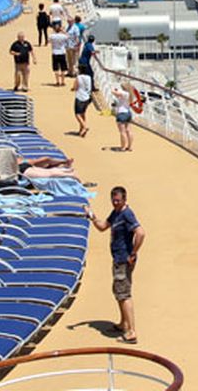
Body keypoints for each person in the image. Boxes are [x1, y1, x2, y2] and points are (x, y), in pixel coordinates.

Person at [85, 186, 145, 345]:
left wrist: (133, 252)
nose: (115, 203)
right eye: (113, 200)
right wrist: (92, 216)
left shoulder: (126, 214)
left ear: (125, 199)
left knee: (124, 294)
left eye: (118, 200)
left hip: (124, 260)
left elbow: (140, 232)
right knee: (119, 291)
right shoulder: (116, 212)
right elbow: (103, 226)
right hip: (118, 259)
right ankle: (123, 323)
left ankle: (132, 332)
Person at [111, 83, 135, 151]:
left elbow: (114, 92)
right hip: (128, 112)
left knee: (122, 132)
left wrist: (114, 90)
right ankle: (130, 147)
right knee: (129, 131)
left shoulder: (124, 93)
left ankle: (123, 147)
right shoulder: (130, 94)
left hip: (122, 113)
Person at [73, 71, 92, 137]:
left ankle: (84, 126)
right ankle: (81, 129)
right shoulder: (89, 77)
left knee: (77, 114)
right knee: (83, 113)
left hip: (79, 97)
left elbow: (75, 86)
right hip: (87, 97)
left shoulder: (79, 77)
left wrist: (73, 88)